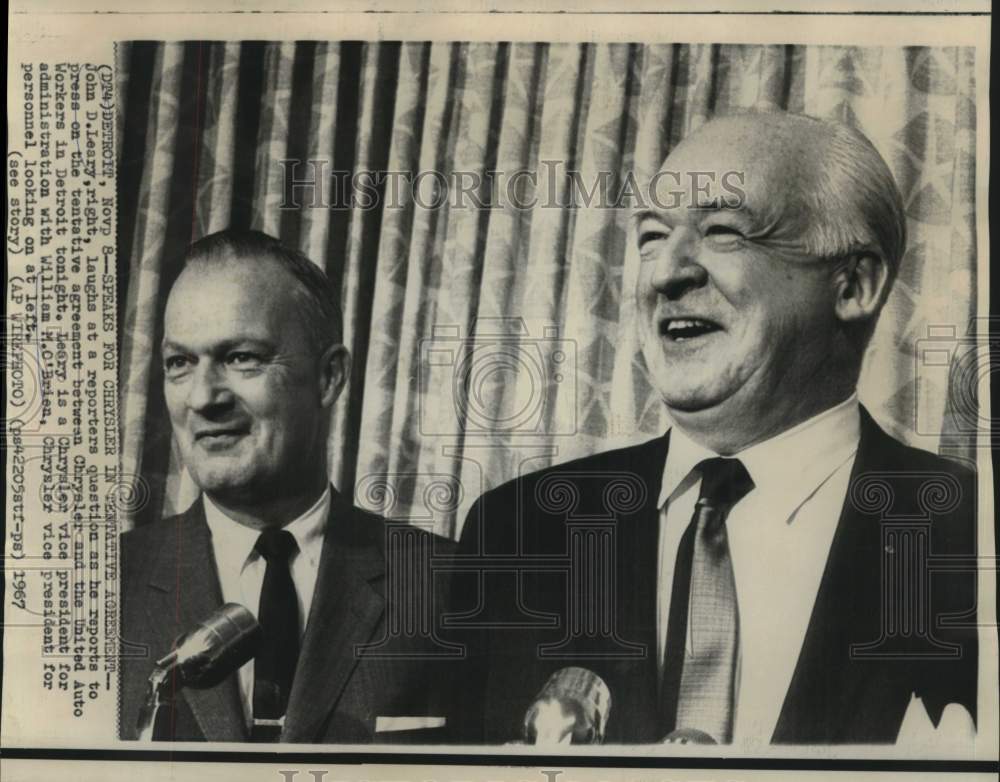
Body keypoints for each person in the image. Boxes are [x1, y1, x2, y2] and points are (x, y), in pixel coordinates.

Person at [449, 111, 978, 746]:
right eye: (650, 236)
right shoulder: (516, 530)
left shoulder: (971, 533)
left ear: (854, 285)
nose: (666, 274)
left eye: (723, 231)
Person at [120, 230, 455, 743]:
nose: (204, 397)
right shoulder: (103, 587)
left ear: (329, 378)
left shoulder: (449, 586)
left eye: (241, 357)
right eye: (179, 363)